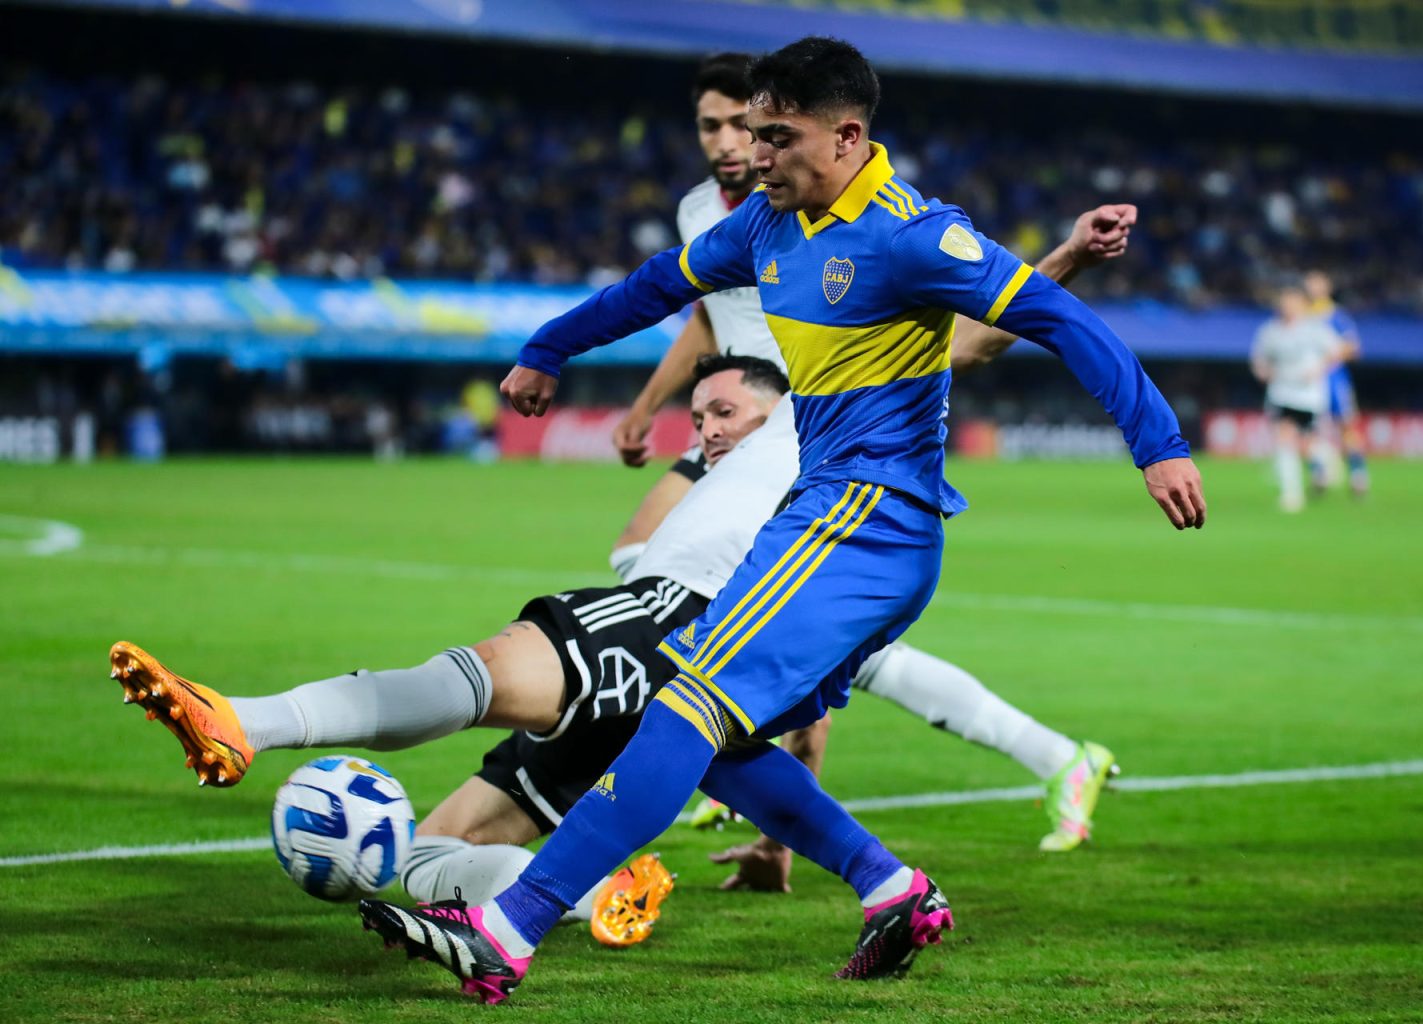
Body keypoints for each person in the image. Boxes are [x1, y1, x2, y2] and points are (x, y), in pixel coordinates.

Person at [361, 37, 1205, 1003]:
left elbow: (1059, 318)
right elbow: (655, 286)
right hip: (820, 512)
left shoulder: (913, 236)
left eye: (778, 136)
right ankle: (893, 889)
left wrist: (1158, 442)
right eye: (751, 134)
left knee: (681, 709)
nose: (757, 156)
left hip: (869, 518)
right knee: (713, 737)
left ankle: (508, 929)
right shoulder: (768, 225)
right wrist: (551, 346)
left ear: (847, 136)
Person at [612, 52, 1132, 859]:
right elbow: (704, 319)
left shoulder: (868, 221)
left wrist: (1061, 261)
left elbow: (965, 338)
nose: (728, 141)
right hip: (729, 425)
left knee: (700, 599)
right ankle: (1054, 757)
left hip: (800, 431)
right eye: (711, 125)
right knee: (657, 571)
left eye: (742, 124)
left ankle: (748, 792)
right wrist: (647, 408)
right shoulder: (710, 216)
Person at [1251, 284, 1344, 513]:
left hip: (1308, 395)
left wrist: (1319, 369)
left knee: (1305, 445)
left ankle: (1326, 456)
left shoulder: (1314, 329)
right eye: (1284, 301)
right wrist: (1263, 371)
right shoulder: (1271, 331)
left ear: (1302, 304)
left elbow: (1338, 350)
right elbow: (1259, 359)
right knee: (1285, 438)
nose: (1287, 306)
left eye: (1292, 302)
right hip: (1281, 392)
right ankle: (1292, 495)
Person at [1303, 270, 1369, 497]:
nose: (1312, 288)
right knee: (1310, 429)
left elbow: (1354, 347)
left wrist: (1329, 359)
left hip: (1334, 379)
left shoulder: (1335, 315)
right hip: (1309, 381)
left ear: (1327, 287)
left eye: (1317, 283)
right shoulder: (1302, 315)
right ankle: (1319, 474)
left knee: (1346, 426)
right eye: (1310, 283)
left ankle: (1358, 475)